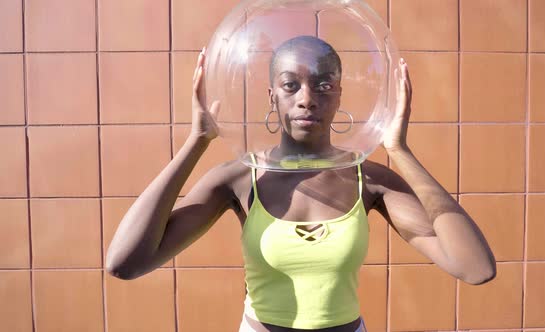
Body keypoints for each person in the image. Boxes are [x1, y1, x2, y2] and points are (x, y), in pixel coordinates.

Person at [106, 36, 496, 332]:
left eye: (323, 85)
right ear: (272, 95)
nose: (307, 99)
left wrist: (401, 152)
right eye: (291, 85)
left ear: (339, 94)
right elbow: (125, 263)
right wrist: (195, 143)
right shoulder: (240, 178)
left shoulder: (369, 179)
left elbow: (475, 268)